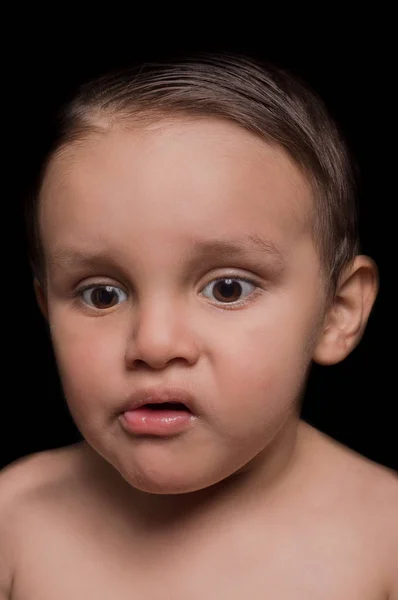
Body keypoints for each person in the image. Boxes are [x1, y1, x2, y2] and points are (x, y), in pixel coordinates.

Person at [1, 52, 397, 599]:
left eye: (227, 288)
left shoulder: (384, 540)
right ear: (47, 309)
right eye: (102, 294)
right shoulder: (14, 524)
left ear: (337, 312)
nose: (155, 344)